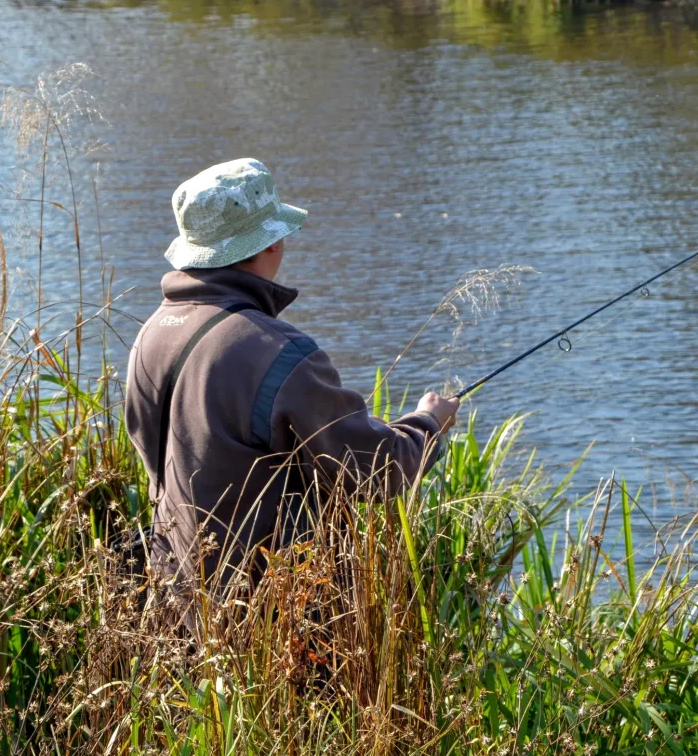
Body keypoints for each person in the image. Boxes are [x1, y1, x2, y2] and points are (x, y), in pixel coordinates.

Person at [125, 158, 459, 627]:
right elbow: (372, 471)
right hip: (267, 618)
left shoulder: (150, 336)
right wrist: (427, 424)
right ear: (270, 243)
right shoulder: (280, 353)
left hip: (174, 601)